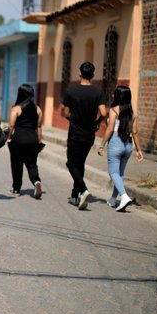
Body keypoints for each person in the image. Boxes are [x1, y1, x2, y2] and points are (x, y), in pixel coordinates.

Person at [62, 62, 107, 210]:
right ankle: (75, 196)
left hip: (75, 133)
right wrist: (97, 121)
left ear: (80, 73)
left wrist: (73, 120)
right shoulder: (98, 92)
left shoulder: (71, 91)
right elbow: (104, 112)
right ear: (93, 75)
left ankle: (83, 190)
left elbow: (66, 113)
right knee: (79, 164)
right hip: (89, 134)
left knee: (71, 163)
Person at [97, 85, 144, 212]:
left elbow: (110, 128)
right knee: (120, 173)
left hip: (115, 143)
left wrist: (102, 145)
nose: (113, 95)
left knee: (113, 173)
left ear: (118, 96)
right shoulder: (132, 113)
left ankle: (124, 196)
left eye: (115, 93)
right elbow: (135, 132)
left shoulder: (114, 110)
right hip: (128, 145)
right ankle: (113, 199)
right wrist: (139, 150)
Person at [6, 84, 43, 199]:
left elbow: (11, 125)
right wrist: (39, 140)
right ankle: (36, 181)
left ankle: (16, 188)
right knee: (32, 164)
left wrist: (8, 137)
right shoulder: (38, 109)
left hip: (18, 139)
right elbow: (39, 126)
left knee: (17, 164)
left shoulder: (16, 109)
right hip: (33, 139)